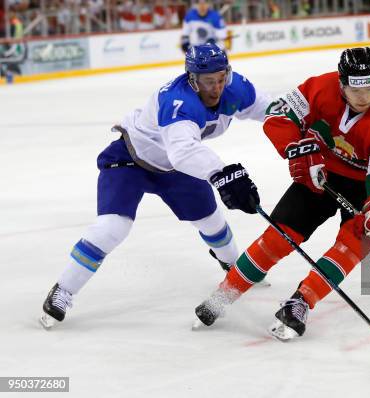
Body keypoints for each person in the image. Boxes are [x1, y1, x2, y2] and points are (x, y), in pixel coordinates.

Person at [40, 43, 269, 329]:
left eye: (221, 78)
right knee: (113, 227)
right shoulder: (179, 101)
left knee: (211, 221)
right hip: (131, 158)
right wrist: (221, 173)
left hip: (175, 167)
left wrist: (301, 119)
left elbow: (268, 108)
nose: (216, 87)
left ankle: (235, 267)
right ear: (192, 79)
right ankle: (63, 289)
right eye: (209, 81)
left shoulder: (236, 87)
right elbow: (183, 151)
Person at [193, 47, 370, 340]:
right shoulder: (320, 87)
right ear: (341, 84)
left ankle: (302, 302)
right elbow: (278, 115)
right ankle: (226, 293)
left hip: (364, 184)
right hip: (318, 171)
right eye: (356, 90)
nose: (364, 98)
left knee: (356, 240)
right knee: (278, 236)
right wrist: (297, 150)